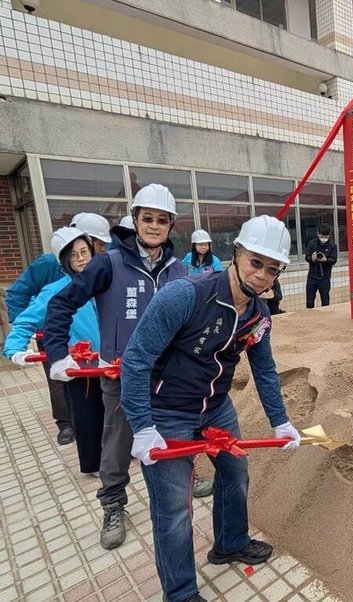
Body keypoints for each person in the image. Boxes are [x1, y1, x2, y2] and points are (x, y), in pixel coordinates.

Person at [120, 215, 302, 602]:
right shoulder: (185, 295)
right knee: (174, 510)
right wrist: (141, 425)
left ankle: (230, 542)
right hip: (166, 411)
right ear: (235, 254)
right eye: (256, 262)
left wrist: (281, 421)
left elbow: (264, 369)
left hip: (216, 407)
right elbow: (135, 359)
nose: (262, 276)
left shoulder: (258, 315)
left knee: (235, 473)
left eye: (273, 269)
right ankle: (182, 593)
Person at [44, 183, 211, 551]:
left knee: (177, 431)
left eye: (161, 220)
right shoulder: (108, 265)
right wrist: (57, 354)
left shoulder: (179, 270)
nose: (154, 225)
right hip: (120, 376)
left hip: (167, 377)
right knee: (118, 441)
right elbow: (60, 305)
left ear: (171, 226)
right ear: (135, 220)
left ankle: (186, 477)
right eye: (147, 218)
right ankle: (114, 503)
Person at [5, 227, 103, 475]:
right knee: (86, 418)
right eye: (74, 255)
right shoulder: (56, 290)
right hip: (79, 369)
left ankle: (118, 453)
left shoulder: (105, 281)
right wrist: (16, 348)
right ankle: (93, 463)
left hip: (110, 364)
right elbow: (25, 320)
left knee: (115, 415)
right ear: (64, 261)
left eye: (84, 252)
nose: (82, 259)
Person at [6, 227, 70, 444]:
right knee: (57, 378)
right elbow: (16, 293)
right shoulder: (48, 264)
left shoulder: (97, 264)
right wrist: (27, 330)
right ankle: (65, 423)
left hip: (80, 334)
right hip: (51, 331)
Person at [305, 224, 338, 308]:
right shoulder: (312, 243)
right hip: (312, 277)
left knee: (325, 300)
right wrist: (312, 258)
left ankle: (326, 317)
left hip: (325, 278)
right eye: (322, 236)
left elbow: (333, 260)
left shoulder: (332, 245)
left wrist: (326, 260)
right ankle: (309, 316)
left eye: (326, 236)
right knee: (309, 300)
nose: (324, 238)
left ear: (329, 234)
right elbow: (307, 257)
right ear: (318, 234)